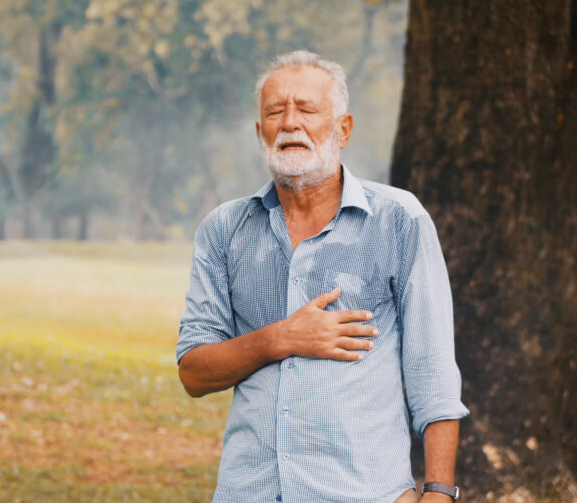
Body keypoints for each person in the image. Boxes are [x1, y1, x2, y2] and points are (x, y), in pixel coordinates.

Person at [176, 50, 470, 503]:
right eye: (275, 112)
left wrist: (438, 493)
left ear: (343, 129)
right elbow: (194, 373)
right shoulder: (224, 230)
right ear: (260, 132)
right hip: (249, 493)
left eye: (307, 110)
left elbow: (433, 376)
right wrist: (282, 337)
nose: (289, 123)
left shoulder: (398, 219)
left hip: (365, 493)